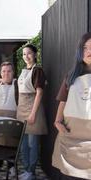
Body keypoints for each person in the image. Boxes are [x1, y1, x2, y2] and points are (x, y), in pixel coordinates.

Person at [52, 32, 91, 180]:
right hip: (71, 140)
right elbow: (63, 100)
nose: (89, 51)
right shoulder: (71, 76)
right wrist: (57, 122)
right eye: (85, 47)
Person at [17, 44, 47, 180]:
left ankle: (31, 172)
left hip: (33, 109)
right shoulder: (23, 71)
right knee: (23, 144)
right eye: (24, 54)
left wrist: (33, 114)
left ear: (35, 54)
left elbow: (39, 93)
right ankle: (26, 169)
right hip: (22, 110)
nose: (26, 56)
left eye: (29, 53)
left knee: (32, 143)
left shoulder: (38, 70)